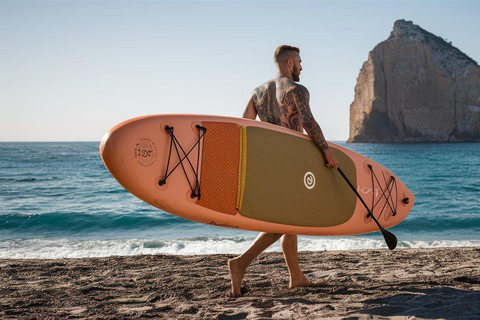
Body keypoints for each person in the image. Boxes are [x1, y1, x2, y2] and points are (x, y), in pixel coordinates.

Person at [228, 45, 339, 297]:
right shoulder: (296, 90)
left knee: (291, 220)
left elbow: (243, 124)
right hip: (290, 162)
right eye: (299, 61)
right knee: (288, 219)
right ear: (289, 63)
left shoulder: (257, 92)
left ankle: (296, 277)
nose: (302, 66)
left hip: (269, 163)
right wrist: (327, 151)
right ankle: (240, 263)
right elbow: (308, 121)